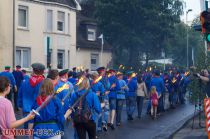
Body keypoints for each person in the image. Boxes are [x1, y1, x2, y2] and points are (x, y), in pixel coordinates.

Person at [18, 63, 45, 129]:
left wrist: (20, 105)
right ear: (42, 72)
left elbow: (20, 96)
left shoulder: (24, 82)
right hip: (39, 110)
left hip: (27, 110)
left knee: (27, 131)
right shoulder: (44, 83)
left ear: (33, 70)